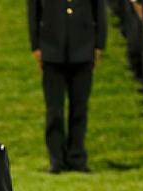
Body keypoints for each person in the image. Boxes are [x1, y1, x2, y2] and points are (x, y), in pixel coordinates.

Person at [27, 0, 106, 173]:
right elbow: (33, 12)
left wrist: (99, 44)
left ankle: (77, 156)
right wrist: (36, 45)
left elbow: (99, 9)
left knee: (80, 108)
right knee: (54, 110)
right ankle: (56, 158)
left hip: (83, 47)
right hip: (52, 49)